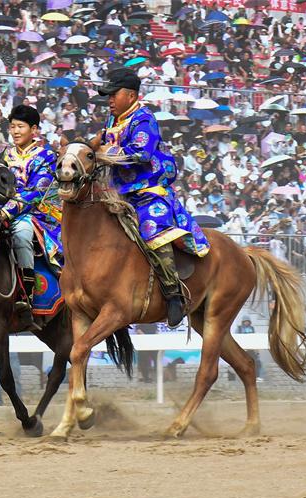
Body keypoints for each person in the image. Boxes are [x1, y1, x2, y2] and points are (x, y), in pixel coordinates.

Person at [91, 67, 209, 327]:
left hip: (147, 192)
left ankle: (173, 293)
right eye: (107, 96)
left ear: (130, 95)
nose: (109, 100)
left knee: (152, 230)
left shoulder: (144, 118)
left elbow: (141, 153)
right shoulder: (113, 121)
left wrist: (103, 152)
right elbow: (100, 147)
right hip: (117, 193)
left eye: (113, 95)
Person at [0, 104, 60, 329]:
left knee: (21, 233)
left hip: (36, 213)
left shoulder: (46, 156)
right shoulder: (5, 155)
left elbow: (37, 192)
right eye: (12, 127)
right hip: (0, 211)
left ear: (34, 129)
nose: (15, 131)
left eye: (20, 126)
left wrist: (6, 210)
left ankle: (26, 296)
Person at [235, 315, 263, 382]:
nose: (246, 322)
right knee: (243, 364)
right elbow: (236, 339)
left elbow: (254, 339)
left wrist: (257, 349)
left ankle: (257, 376)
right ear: (243, 322)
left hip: (251, 349)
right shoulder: (239, 329)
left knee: (256, 362)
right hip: (242, 350)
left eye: (248, 321)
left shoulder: (252, 328)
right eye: (245, 321)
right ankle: (244, 378)